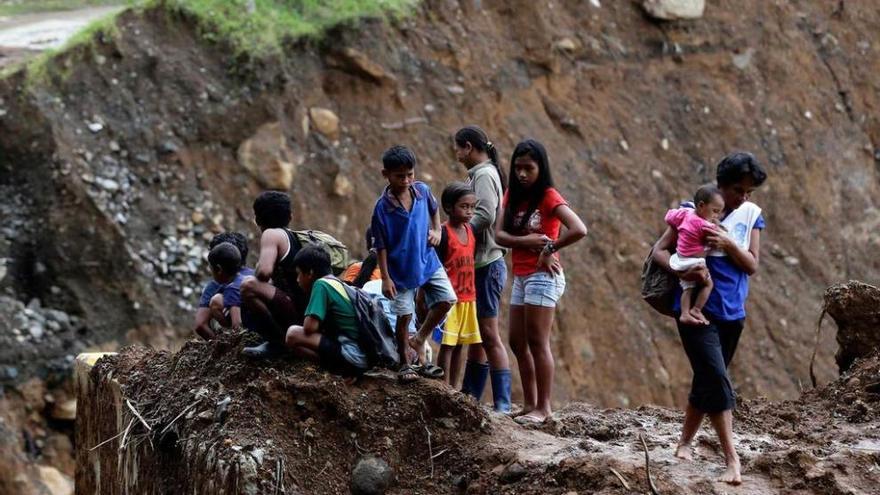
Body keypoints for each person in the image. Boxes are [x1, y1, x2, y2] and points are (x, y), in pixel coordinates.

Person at [652, 151, 767, 486]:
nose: (742, 197)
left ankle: (684, 442)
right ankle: (732, 460)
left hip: (734, 312)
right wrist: (683, 265)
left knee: (707, 379)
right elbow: (659, 251)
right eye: (737, 190)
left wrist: (728, 244)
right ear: (720, 185)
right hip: (695, 312)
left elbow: (752, 265)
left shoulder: (751, 216)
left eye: (749, 192)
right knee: (717, 379)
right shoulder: (694, 211)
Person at [496, 139, 587, 425]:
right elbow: (499, 235)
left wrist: (550, 248)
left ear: (540, 168)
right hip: (522, 275)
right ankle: (530, 403)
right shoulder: (511, 195)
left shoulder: (548, 196)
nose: (522, 174)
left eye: (529, 168)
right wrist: (527, 241)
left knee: (537, 340)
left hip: (543, 276)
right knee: (516, 340)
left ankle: (544, 408)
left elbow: (579, 229)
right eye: (518, 168)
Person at [370, 145, 456, 382]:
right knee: (404, 316)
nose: (406, 180)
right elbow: (381, 246)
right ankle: (405, 363)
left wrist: (437, 230)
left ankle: (419, 339)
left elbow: (434, 208)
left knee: (447, 299)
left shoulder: (422, 191)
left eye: (410, 174)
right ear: (385, 174)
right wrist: (386, 277)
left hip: (428, 261)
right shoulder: (382, 209)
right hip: (401, 270)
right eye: (400, 176)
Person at [454, 125, 514, 412]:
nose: (456, 154)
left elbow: (486, 213)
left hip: (488, 262)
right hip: (479, 263)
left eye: (458, 148)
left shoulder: (484, 175)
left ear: (468, 147)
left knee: (489, 333)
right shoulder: (479, 174)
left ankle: (503, 401)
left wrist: (459, 233)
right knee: (478, 332)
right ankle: (471, 395)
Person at [284, 246, 368, 378]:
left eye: (299, 273)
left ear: (310, 273)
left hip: (352, 355)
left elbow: (309, 328)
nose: (297, 280)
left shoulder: (321, 285)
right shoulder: (336, 282)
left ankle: (339, 371)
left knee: (292, 334)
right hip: (362, 356)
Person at [240, 191, 307, 358]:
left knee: (248, 285)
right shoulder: (293, 236)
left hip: (295, 309)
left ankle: (277, 342)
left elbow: (264, 272)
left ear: (257, 219)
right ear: (290, 216)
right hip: (307, 311)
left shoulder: (271, 234)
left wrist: (258, 268)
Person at [434, 182, 482, 386]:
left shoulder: (470, 231)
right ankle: (444, 386)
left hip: (468, 297)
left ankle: (454, 386)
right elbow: (435, 266)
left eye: (472, 207)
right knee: (447, 344)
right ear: (449, 208)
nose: (469, 211)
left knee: (460, 344)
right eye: (464, 206)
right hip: (449, 299)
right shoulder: (443, 234)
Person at [665, 185, 725, 326]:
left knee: (688, 288)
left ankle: (685, 313)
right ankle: (697, 309)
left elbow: (669, 216)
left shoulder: (685, 213)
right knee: (708, 284)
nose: (716, 216)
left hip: (680, 260)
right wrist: (719, 225)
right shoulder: (704, 225)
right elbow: (720, 234)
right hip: (694, 262)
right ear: (701, 205)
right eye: (715, 211)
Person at [193, 233, 254, 340]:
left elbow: (200, 325)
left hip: (240, 336)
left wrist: (220, 346)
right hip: (264, 328)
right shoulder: (254, 275)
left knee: (217, 301)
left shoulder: (217, 285)